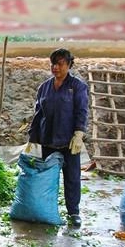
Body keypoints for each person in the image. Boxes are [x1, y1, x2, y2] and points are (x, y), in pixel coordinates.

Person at [27, 48, 89, 227]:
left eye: (60, 63)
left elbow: (82, 111)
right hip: (47, 139)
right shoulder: (44, 87)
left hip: (69, 141)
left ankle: (73, 212)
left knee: (72, 178)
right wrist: (33, 138)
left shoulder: (77, 86)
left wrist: (79, 134)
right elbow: (38, 114)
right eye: (53, 63)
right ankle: (44, 208)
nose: (55, 67)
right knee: (45, 177)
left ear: (69, 65)